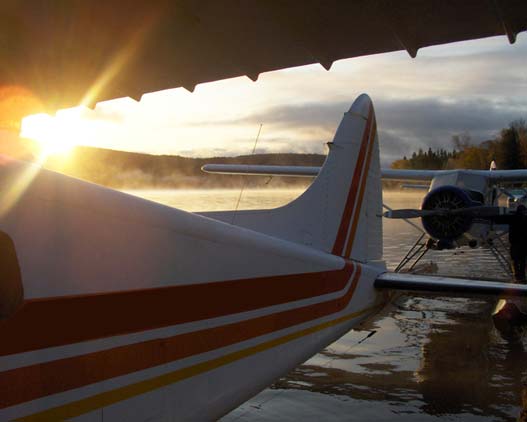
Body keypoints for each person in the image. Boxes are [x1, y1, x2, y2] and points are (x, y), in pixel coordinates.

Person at [508, 204, 527, 283]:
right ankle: (522, 275)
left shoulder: (513, 220)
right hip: (523, 244)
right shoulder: (525, 219)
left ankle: (517, 275)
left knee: (515, 260)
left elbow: (511, 233)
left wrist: (511, 241)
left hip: (515, 243)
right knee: (522, 260)